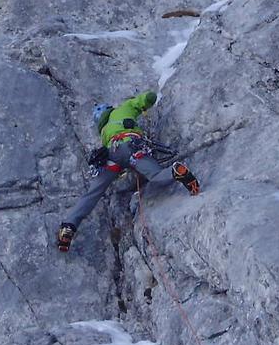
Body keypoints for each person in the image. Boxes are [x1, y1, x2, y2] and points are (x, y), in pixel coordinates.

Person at [57, 90, 199, 251]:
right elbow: (147, 99)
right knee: (156, 175)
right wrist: (147, 100)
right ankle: (175, 171)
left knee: (93, 193)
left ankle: (68, 226)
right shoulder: (122, 109)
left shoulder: (104, 133)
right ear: (110, 109)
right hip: (132, 148)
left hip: (111, 157)